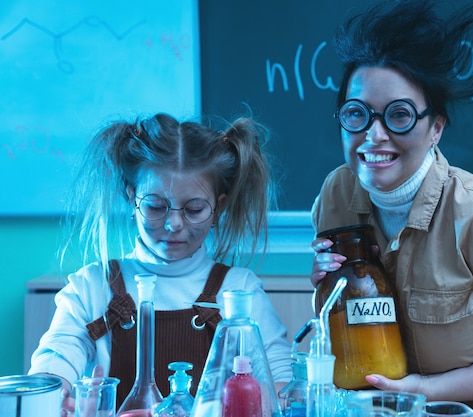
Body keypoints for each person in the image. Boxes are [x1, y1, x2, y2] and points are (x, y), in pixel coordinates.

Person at [309, 1, 473, 416]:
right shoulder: (336, 194)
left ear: (435, 127)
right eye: (356, 114)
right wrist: (328, 290)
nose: (373, 135)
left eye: (398, 115)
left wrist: (423, 390)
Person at [28, 112, 292, 415]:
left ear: (218, 207)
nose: (174, 223)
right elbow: (57, 355)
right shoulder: (90, 287)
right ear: (132, 198)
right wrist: (53, 389)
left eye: (194, 209)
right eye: (155, 206)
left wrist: (284, 394)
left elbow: (279, 380)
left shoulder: (239, 291)